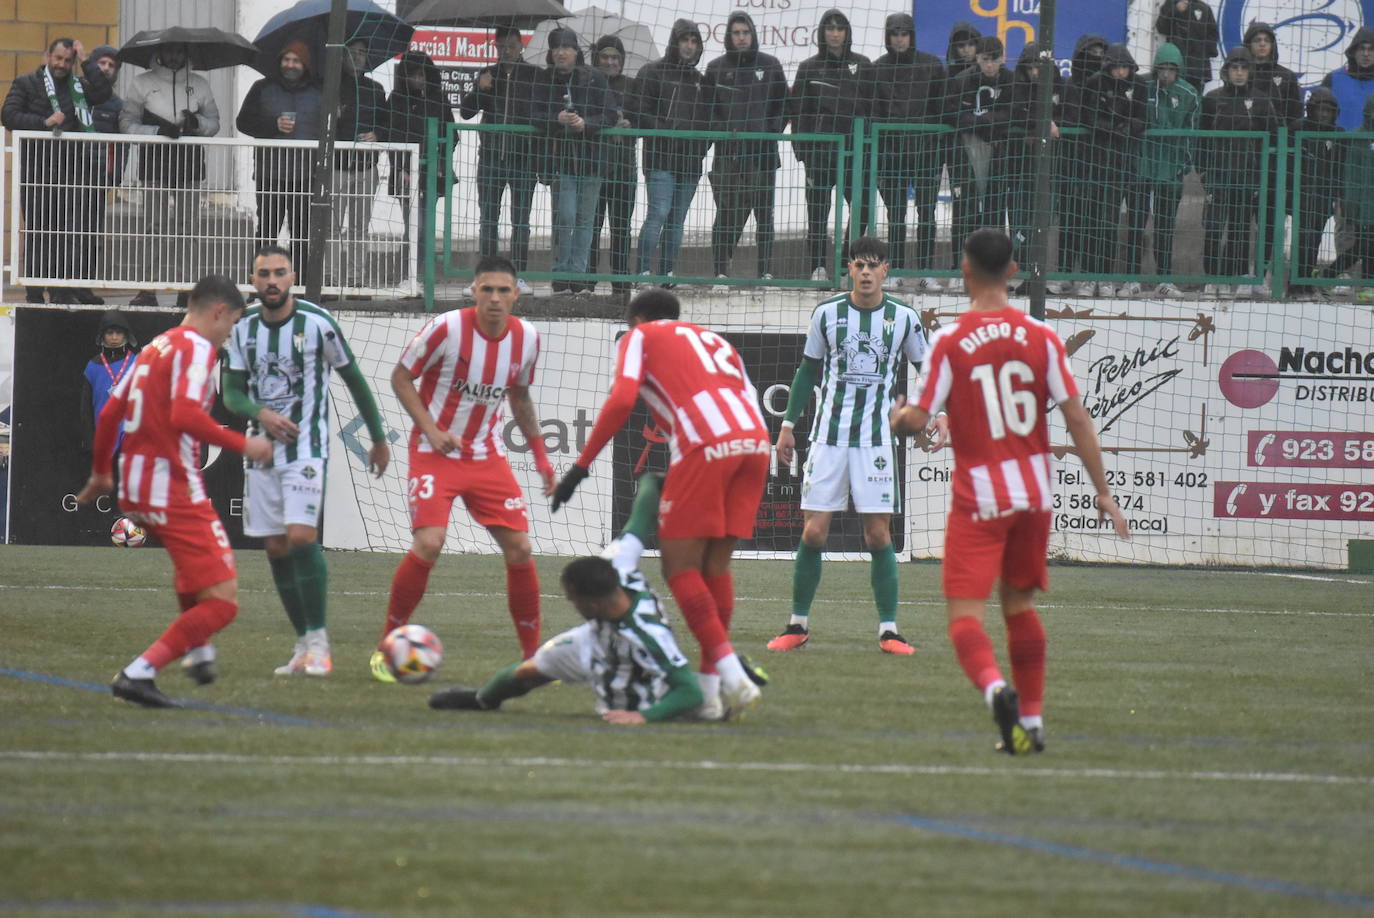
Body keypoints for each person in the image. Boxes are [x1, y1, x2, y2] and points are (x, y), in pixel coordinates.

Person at [891, 228, 1128, 754]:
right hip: (1035, 495)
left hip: (981, 496)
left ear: (965, 271)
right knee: (1019, 606)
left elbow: (920, 418)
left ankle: (998, 691)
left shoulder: (950, 340)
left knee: (964, 617)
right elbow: (1078, 419)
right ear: (1014, 272)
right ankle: (1034, 721)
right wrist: (1104, 492)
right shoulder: (1042, 337)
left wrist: (897, 417)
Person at [550, 289, 769, 718]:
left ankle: (732, 677)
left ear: (637, 321)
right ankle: (708, 697)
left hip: (704, 441)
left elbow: (622, 398)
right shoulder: (714, 340)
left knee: (680, 568)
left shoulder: (640, 336)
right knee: (715, 568)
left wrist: (580, 467)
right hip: (754, 440)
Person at [75, 275, 273, 708]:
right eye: (233, 323)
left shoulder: (156, 346)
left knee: (192, 571)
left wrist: (102, 473)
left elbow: (111, 412)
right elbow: (185, 414)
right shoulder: (198, 349)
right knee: (224, 604)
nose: (229, 333)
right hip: (171, 487)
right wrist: (246, 443)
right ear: (219, 311)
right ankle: (138, 672)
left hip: (139, 484)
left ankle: (199, 651)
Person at [377, 255, 555, 679]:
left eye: (503, 290)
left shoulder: (527, 338)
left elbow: (520, 397)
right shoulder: (447, 328)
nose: (494, 298)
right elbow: (401, 377)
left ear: (516, 295)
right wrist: (432, 431)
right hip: (434, 452)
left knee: (521, 548)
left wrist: (542, 457)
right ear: (473, 291)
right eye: (486, 289)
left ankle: (533, 656)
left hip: (486, 455)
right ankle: (388, 647)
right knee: (430, 543)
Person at [766, 236, 945, 655]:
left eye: (874, 265)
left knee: (878, 535)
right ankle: (797, 624)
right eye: (858, 265)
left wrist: (937, 412)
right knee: (813, 532)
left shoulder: (903, 318)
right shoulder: (827, 314)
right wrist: (787, 425)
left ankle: (889, 630)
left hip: (877, 442)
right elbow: (807, 372)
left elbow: (929, 368)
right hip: (828, 438)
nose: (866, 272)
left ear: (886, 270)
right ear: (848, 268)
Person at [221, 245, 389, 677]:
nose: (272, 281)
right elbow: (232, 393)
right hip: (260, 450)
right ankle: (302, 645)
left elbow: (354, 379)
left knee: (299, 537)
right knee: (275, 546)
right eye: (264, 274)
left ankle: (319, 643)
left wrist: (377, 436)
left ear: (292, 276)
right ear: (253, 281)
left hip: (308, 449)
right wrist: (262, 414)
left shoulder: (317, 325)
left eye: (280, 272)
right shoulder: (242, 331)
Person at [427, 555, 706, 725]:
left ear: (593, 604)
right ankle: (482, 700)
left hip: (625, 654)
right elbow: (638, 523)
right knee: (530, 669)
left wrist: (645, 718)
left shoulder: (646, 636)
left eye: (574, 600)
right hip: (596, 636)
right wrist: (651, 484)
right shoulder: (621, 571)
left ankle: (730, 676)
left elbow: (690, 691)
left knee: (633, 704)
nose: (572, 604)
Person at [2, 38, 114, 305]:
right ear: (47, 57)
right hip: (36, 171)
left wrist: (86, 60)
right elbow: (8, 115)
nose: (62, 65)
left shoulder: (79, 85)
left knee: (65, 233)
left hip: (71, 171)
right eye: (58, 59)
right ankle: (34, 290)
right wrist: (44, 122)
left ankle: (61, 289)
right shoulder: (26, 83)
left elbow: (104, 94)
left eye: (67, 60)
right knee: (39, 231)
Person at [120, 42, 221, 308]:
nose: (175, 56)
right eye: (170, 51)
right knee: (153, 226)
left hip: (189, 163)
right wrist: (157, 132)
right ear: (160, 54)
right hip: (155, 161)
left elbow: (215, 123)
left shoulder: (200, 84)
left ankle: (186, 288)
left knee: (188, 228)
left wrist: (196, 124)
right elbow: (127, 123)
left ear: (187, 53)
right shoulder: (141, 83)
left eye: (180, 51)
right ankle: (147, 288)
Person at [702, 12, 787, 286]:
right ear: (729, 36)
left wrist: (771, 131)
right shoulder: (715, 68)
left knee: (765, 215)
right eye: (736, 33)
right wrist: (723, 133)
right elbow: (707, 109)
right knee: (726, 214)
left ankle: (765, 272)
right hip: (728, 156)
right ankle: (720, 271)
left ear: (752, 35)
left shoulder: (770, 65)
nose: (741, 37)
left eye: (745, 32)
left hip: (763, 155)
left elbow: (783, 104)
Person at [790, 9, 871, 283]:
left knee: (861, 209)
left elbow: (873, 110)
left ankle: (850, 264)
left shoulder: (863, 64)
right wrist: (803, 153)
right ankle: (817, 267)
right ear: (822, 33)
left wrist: (868, 150)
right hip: (820, 153)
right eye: (830, 28)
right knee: (817, 213)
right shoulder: (809, 68)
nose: (835, 33)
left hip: (855, 153)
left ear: (847, 32)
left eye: (840, 28)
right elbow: (798, 112)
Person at [867, 13, 947, 292]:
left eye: (904, 33)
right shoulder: (877, 69)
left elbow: (941, 110)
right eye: (894, 33)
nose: (899, 38)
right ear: (888, 36)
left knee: (927, 212)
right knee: (896, 214)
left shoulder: (931, 65)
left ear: (912, 36)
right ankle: (896, 269)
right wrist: (883, 148)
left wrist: (936, 147)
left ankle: (926, 271)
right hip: (892, 154)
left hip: (926, 153)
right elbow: (873, 113)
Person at [534, 28, 614, 293]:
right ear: (551, 52)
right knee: (564, 216)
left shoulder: (595, 78)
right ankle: (560, 274)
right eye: (557, 47)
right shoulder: (544, 79)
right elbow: (532, 113)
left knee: (585, 220)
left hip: (592, 161)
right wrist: (556, 120)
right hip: (561, 161)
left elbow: (610, 115)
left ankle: (578, 276)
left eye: (567, 47)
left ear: (576, 52)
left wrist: (585, 124)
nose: (561, 52)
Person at [631, 19, 710, 285]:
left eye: (694, 41)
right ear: (675, 42)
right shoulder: (652, 72)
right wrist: (666, 131)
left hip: (689, 162)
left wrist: (699, 148)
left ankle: (666, 273)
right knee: (659, 213)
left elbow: (710, 121)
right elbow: (639, 111)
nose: (689, 46)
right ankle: (642, 271)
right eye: (684, 40)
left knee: (677, 221)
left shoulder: (701, 81)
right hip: (660, 159)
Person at [461, 27, 541, 286]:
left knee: (521, 221)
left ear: (521, 47)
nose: (506, 51)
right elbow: (465, 112)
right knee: (488, 219)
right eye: (501, 46)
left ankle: (519, 277)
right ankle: (486, 275)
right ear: (495, 47)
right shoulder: (487, 74)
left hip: (523, 158)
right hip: (491, 158)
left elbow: (541, 115)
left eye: (511, 46)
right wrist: (482, 89)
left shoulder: (534, 76)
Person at [236, 41, 322, 280]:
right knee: (266, 232)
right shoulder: (262, 88)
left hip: (305, 175)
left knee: (302, 234)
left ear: (305, 65)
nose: (290, 65)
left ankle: (303, 285)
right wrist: (272, 125)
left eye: (296, 61)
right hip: (269, 173)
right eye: (286, 59)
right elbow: (242, 122)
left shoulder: (318, 91)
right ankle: (259, 283)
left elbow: (328, 129)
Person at [1199, 47, 1277, 297]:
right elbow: (1200, 137)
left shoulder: (1262, 100)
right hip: (1218, 175)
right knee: (1212, 227)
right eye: (1235, 68)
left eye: (1244, 68)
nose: (1240, 73)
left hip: (1248, 176)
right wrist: (1201, 171)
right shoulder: (1212, 99)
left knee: (1241, 228)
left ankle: (1241, 278)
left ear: (1250, 71)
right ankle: (1213, 279)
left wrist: (1263, 174)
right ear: (1226, 70)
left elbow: (1274, 139)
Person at [1124, 42, 1199, 298]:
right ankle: (1130, 278)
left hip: (1170, 169)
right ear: (1156, 68)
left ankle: (1164, 279)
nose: (1166, 74)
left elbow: (1191, 131)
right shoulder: (1143, 87)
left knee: (1165, 225)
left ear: (1178, 70)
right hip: (1143, 165)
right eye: (1162, 68)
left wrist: (1183, 164)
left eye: (1171, 69)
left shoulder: (1188, 93)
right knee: (1136, 222)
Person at [1082, 44, 1146, 295]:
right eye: (1116, 67)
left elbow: (1144, 116)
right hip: (1097, 161)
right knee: (1091, 220)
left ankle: (1106, 277)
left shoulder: (1139, 86)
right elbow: (1088, 117)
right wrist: (1111, 127)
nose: (1120, 72)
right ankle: (1089, 276)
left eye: (1125, 67)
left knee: (1111, 222)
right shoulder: (1095, 83)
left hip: (1125, 162)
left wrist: (1130, 127)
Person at [946, 36, 1013, 271]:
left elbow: (1015, 113)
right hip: (967, 148)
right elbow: (950, 113)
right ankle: (960, 267)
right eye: (985, 60)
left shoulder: (1011, 81)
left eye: (995, 59)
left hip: (997, 151)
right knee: (965, 209)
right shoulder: (961, 81)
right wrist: (981, 124)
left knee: (994, 211)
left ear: (1003, 58)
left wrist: (985, 120)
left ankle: (993, 269)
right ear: (977, 58)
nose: (990, 65)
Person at [330, 38, 389, 294]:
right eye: (352, 53)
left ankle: (356, 279)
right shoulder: (331, 87)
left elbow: (388, 123)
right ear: (343, 57)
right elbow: (318, 124)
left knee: (359, 227)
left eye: (362, 53)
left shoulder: (376, 89)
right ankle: (329, 279)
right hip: (336, 167)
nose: (357, 57)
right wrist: (332, 117)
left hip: (366, 167)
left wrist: (378, 134)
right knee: (331, 225)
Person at [389, 51, 454, 273]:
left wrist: (441, 161)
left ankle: (424, 275)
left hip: (432, 172)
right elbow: (392, 137)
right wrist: (401, 168)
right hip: (405, 173)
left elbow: (451, 135)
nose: (419, 79)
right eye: (414, 75)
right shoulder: (396, 100)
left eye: (423, 75)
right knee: (412, 225)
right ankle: (408, 273)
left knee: (426, 226)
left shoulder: (438, 99)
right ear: (405, 76)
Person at [588, 35, 637, 295]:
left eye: (615, 57)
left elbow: (644, 117)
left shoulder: (631, 85)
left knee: (621, 227)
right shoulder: (587, 82)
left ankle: (621, 282)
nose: (610, 62)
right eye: (605, 56)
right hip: (594, 166)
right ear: (596, 58)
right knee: (591, 225)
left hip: (624, 167)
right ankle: (588, 279)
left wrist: (632, 124)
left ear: (622, 60)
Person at [1058, 34, 1108, 294]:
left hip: (1099, 162)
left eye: (1101, 53)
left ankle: (1090, 274)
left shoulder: (1106, 87)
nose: (1096, 58)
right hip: (1072, 162)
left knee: (1093, 219)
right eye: (1091, 53)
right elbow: (1070, 118)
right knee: (1069, 218)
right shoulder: (1070, 86)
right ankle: (1066, 272)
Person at [1007, 42, 1063, 266]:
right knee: (1020, 218)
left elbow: (1070, 115)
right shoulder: (1017, 88)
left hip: (1051, 167)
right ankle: (1019, 266)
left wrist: (1050, 123)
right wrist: (1044, 122)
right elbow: (1016, 114)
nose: (1034, 73)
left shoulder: (1060, 86)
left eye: (1038, 67)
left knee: (1044, 218)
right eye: (1029, 68)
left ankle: (1038, 267)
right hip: (1022, 167)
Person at [1293, 90, 1344, 286]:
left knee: (1315, 238)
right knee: (1302, 237)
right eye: (1320, 110)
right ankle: (1296, 282)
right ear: (1310, 110)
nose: (1324, 115)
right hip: (1300, 193)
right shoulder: (1298, 128)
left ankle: (1306, 280)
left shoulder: (1338, 134)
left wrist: (1337, 194)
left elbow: (1340, 166)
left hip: (1324, 194)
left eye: (1329, 111)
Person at [79, 310, 139, 461]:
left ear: (126, 335)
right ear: (102, 335)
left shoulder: (137, 363)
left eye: (119, 333)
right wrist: (89, 441)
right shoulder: (92, 366)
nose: (114, 337)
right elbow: (85, 408)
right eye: (109, 333)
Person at [88, 45, 124, 284]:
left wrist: (114, 176)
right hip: (68, 174)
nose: (106, 68)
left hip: (99, 177)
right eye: (102, 63)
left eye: (112, 65)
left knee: (92, 232)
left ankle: (86, 282)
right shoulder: (74, 93)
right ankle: (59, 283)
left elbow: (123, 146)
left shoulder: (117, 105)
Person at [1154, 0, 1218, 94]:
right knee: (1175, 100)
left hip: (1197, 70)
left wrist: (1201, 52)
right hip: (1176, 67)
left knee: (1195, 101)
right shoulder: (1171, 4)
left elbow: (1213, 34)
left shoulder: (1204, 8)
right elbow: (1161, 27)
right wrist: (1175, 10)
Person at [1320, 27, 1374, 132]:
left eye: (1371, 49)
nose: (1366, 54)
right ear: (1353, 51)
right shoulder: (1333, 79)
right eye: (1361, 48)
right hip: (1337, 144)